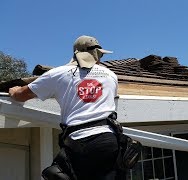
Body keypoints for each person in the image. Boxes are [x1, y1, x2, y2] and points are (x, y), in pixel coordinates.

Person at [9, 35, 121, 180]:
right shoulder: (111, 75)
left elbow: (21, 95)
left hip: (81, 141)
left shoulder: (58, 73)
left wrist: (14, 90)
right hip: (110, 140)